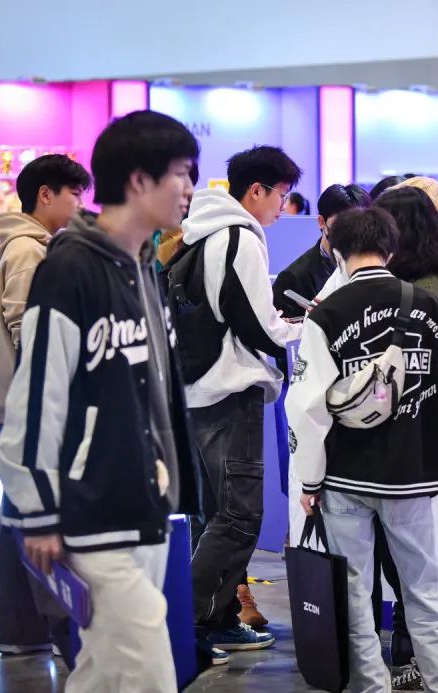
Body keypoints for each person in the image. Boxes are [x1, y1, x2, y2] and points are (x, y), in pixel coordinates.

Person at [0, 110, 202, 691]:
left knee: (106, 670)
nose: (190, 188)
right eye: (181, 173)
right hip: (90, 507)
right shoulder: (70, 267)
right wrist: (38, 510)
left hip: (145, 502)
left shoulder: (145, 268)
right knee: (149, 670)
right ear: (138, 180)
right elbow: (39, 392)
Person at [287, 207, 438, 693]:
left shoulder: (326, 315)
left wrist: (309, 480)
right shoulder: (429, 306)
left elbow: (306, 406)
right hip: (413, 470)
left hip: (347, 472)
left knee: (353, 592)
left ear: (339, 253)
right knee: (425, 589)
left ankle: (372, 687)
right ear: (390, 249)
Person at [171, 145, 303, 653]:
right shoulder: (240, 236)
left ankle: (218, 617)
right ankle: (190, 621)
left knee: (213, 514)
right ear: (257, 191)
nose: (281, 208)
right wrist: (304, 330)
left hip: (197, 389)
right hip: (230, 389)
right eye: (280, 196)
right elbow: (256, 324)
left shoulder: (200, 232)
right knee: (239, 515)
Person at [0, 153, 91, 658]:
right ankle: (25, 631)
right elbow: (31, 332)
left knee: (19, 514)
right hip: (25, 406)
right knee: (24, 516)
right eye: (75, 194)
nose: (81, 204)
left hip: (19, 404)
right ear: (45, 194)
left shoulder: (31, 246)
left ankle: (24, 632)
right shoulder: (29, 250)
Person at [374, 187, 438, 690]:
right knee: (405, 555)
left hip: (414, 442)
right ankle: (409, 652)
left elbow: (433, 369)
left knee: (414, 559)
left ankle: (415, 656)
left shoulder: (427, 291)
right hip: (403, 441)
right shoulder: (417, 284)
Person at [272, 183, 370, 319]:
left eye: (358, 223)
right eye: (341, 224)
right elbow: (284, 329)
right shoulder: (293, 279)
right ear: (322, 222)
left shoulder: (373, 265)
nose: (350, 231)